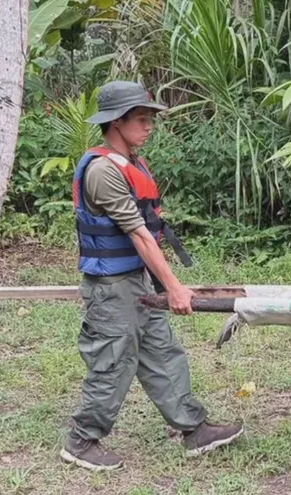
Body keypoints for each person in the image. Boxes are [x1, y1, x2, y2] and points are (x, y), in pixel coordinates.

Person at [61, 81, 243, 471]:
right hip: (110, 289)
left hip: (136, 280)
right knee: (113, 360)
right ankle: (81, 440)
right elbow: (140, 235)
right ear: (116, 122)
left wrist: (164, 283)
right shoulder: (102, 171)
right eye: (142, 120)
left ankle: (194, 429)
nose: (149, 127)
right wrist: (175, 287)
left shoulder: (132, 162)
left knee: (162, 350)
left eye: (149, 120)